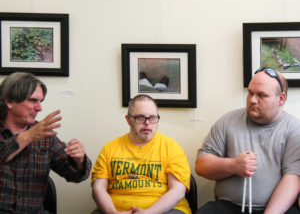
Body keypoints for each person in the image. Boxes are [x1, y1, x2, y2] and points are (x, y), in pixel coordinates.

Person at [195, 67, 300, 214]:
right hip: (228, 206)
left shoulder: (294, 129)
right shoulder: (228, 121)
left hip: (277, 209)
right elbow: (201, 166)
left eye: (261, 95)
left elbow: (293, 178)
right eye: (250, 92)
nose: (252, 100)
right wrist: (233, 165)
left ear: (281, 99)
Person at [0, 72, 92, 213]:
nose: (39, 108)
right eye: (32, 100)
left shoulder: (44, 136)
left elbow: (75, 176)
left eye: (40, 101)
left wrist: (79, 160)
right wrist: (29, 136)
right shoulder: (37, 132)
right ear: (9, 101)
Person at [91, 94, 191, 214]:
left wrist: (149, 212)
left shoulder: (171, 147)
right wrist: (113, 212)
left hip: (166, 211)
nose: (147, 123)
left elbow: (178, 190)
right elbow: (98, 188)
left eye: (153, 118)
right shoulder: (109, 148)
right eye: (140, 118)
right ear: (128, 120)